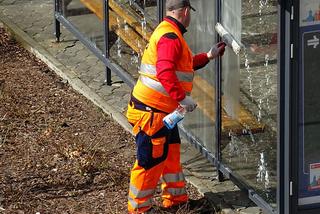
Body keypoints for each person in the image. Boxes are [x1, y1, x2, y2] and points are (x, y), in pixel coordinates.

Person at [126, 0, 226, 213]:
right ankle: (139, 210)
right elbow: (164, 72)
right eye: (190, 14)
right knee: (150, 161)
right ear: (186, 11)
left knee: (170, 155)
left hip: (159, 112)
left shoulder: (169, 32)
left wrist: (208, 56)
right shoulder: (170, 37)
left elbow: (183, 64)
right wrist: (182, 98)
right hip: (151, 113)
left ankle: (176, 201)